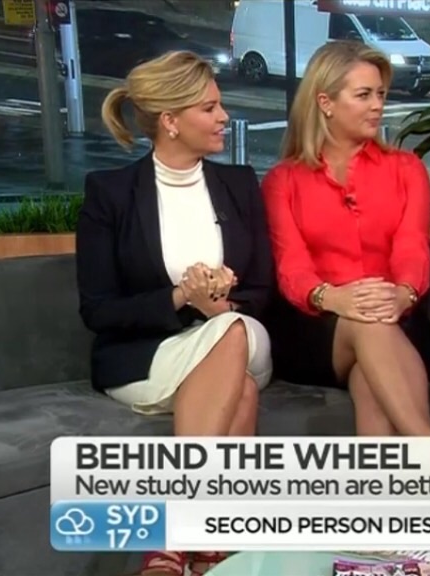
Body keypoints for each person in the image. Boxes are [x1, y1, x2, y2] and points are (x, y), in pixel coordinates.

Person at [76, 51, 274, 575]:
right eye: (209, 108)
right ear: (170, 121)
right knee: (240, 390)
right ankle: (213, 543)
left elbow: (264, 288)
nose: (224, 117)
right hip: (149, 355)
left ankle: (172, 533)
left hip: (238, 333)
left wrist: (221, 302)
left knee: (231, 329)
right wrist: (179, 298)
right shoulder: (110, 193)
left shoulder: (239, 184)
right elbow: (98, 310)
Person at [261, 41, 430, 436]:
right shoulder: (283, 181)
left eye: (381, 95)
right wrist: (333, 298)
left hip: (398, 317)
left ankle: (402, 470)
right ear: (325, 102)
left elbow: (412, 246)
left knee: (372, 377)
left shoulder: (407, 169)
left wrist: (403, 294)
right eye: (364, 95)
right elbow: (291, 265)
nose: (377, 106)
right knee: (367, 324)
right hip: (315, 327)